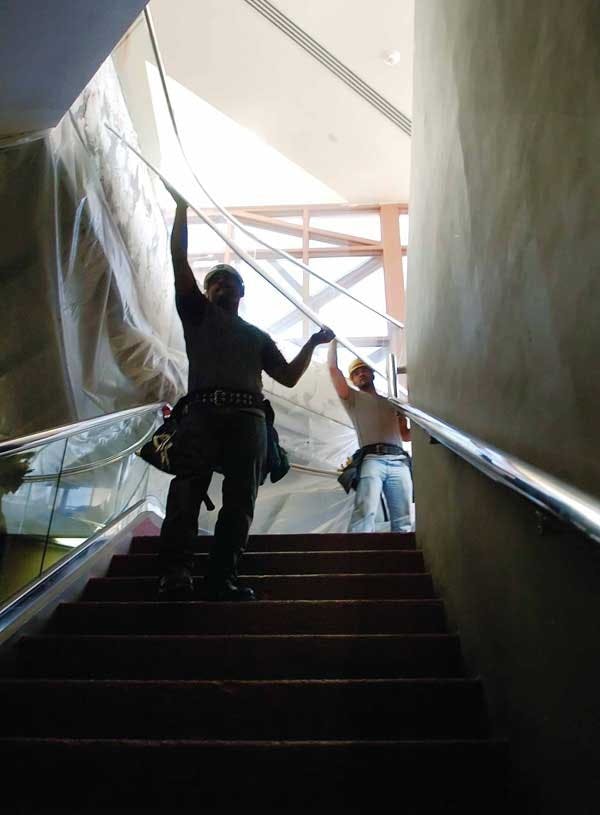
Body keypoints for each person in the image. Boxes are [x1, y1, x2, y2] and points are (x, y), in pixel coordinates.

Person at [158, 190, 334, 600]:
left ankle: (222, 576)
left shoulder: (258, 337)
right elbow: (177, 261)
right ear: (206, 291)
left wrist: (311, 343)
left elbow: (288, 377)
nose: (220, 285)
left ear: (241, 291)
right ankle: (176, 572)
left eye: (228, 281)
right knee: (187, 490)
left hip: (249, 420)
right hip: (202, 414)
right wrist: (182, 210)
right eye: (213, 281)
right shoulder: (197, 313)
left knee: (240, 500)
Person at [327, 340, 412, 533]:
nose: (361, 374)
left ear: (372, 373)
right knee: (365, 511)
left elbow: (405, 436)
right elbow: (333, 370)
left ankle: (400, 561)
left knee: (404, 518)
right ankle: (357, 558)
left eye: (364, 370)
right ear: (352, 380)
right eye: (356, 373)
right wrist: (332, 342)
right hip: (372, 459)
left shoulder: (392, 403)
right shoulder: (353, 399)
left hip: (398, 459)